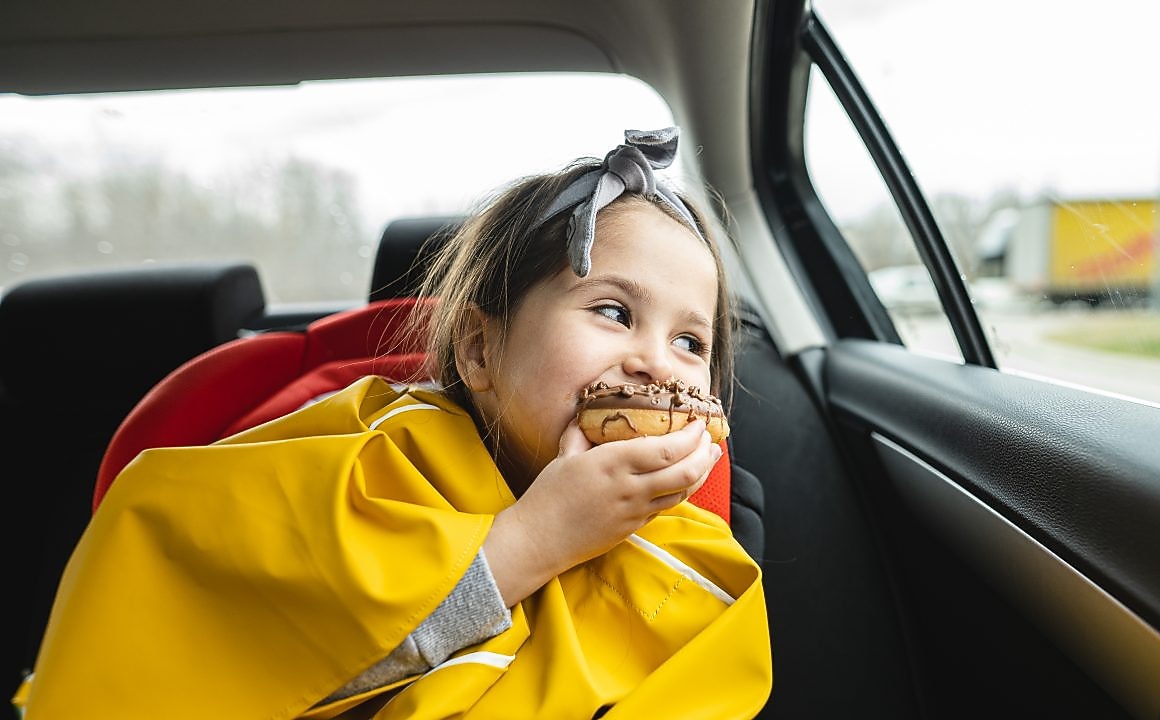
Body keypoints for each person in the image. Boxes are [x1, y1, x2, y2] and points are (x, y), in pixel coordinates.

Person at [18, 127, 771, 719]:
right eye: (614, 311)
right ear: (479, 350)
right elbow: (272, 658)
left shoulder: (692, 549)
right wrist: (540, 537)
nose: (656, 364)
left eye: (690, 342)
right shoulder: (375, 460)